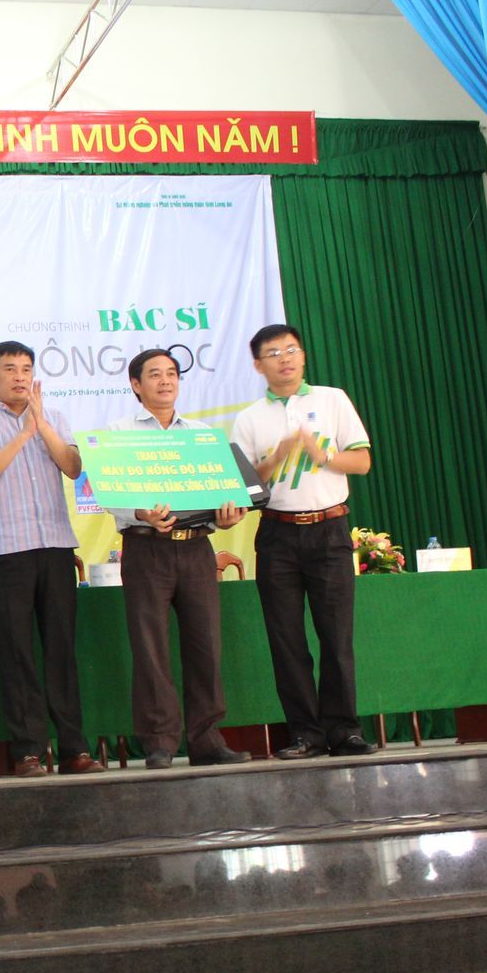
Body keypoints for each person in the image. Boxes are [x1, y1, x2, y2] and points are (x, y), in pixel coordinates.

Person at [229, 324, 377, 759]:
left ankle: (345, 731)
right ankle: (305, 735)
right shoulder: (249, 418)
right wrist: (277, 456)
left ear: (304, 355)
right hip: (277, 534)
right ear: (258, 365)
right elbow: (244, 486)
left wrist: (322, 455)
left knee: (336, 637)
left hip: (329, 531)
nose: (285, 359)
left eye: (291, 350)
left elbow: (362, 462)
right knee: (286, 640)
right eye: (274, 353)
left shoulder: (333, 399)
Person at [0, 341, 102, 778]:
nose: (20, 376)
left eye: (26, 368)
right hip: (6, 554)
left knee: (61, 651)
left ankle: (75, 749)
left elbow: (74, 468)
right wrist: (23, 434)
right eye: (10, 369)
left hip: (55, 548)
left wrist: (41, 426)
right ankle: (28, 752)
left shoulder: (52, 417)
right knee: (16, 654)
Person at [111, 350, 252, 770]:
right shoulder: (120, 433)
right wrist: (142, 513)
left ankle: (207, 740)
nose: (165, 381)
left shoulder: (203, 435)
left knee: (205, 644)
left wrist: (227, 515)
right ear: (136, 385)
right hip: (145, 548)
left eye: (171, 374)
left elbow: (220, 497)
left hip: (196, 548)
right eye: (155, 374)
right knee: (150, 646)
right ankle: (159, 742)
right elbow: (111, 494)